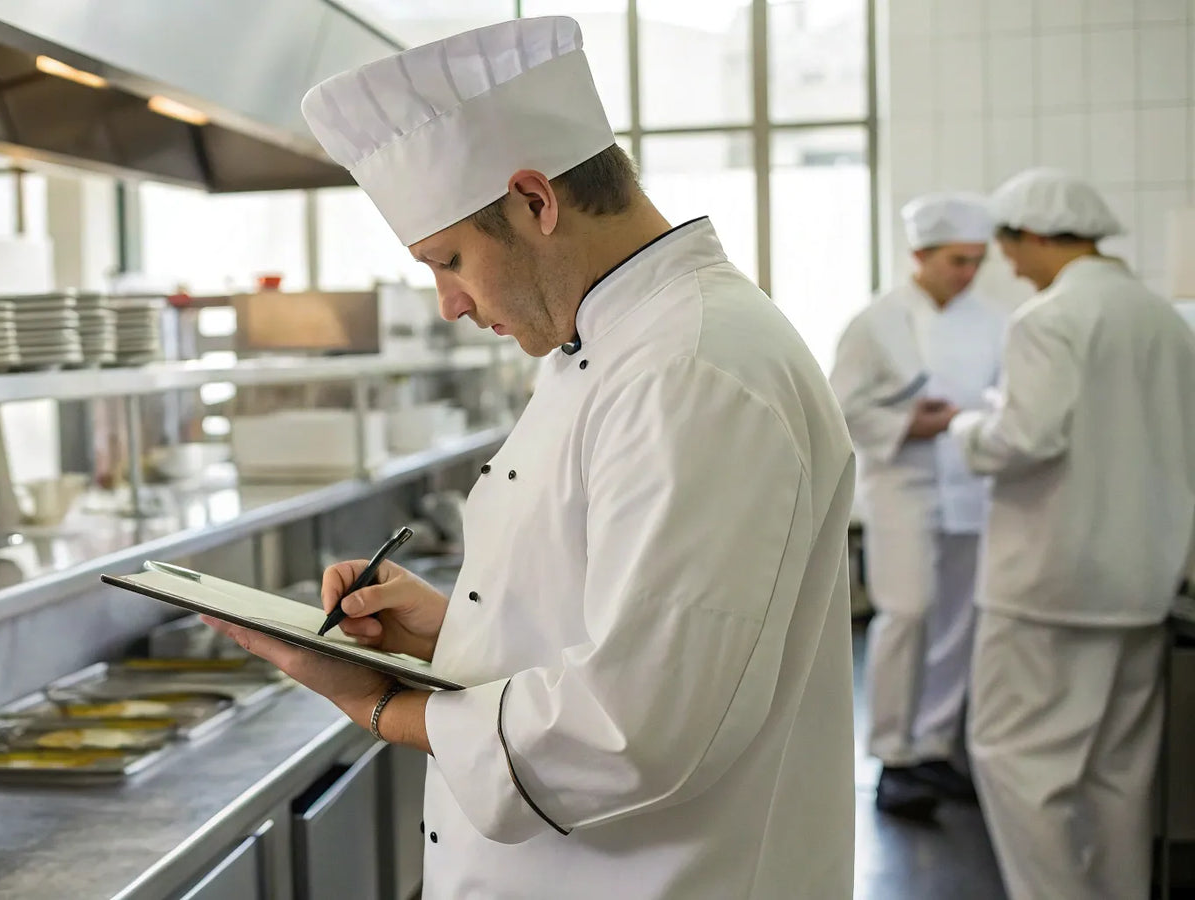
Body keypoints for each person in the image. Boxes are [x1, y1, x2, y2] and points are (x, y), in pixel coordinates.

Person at [198, 16, 856, 898]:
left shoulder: (690, 370)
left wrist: (380, 705)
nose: (449, 303)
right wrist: (450, 632)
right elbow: (618, 621)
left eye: (449, 260)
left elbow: (631, 729)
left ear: (536, 201)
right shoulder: (615, 346)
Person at [946, 168, 1195, 900]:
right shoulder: (1164, 319)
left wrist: (967, 428)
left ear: (1036, 235)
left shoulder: (1047, 319)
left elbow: (1027, 437)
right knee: (1120, 772)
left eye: (1008, 246)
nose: (1008, 263)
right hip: (1140, 580)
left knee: (1019, 762)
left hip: (1049, 586)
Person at [830, 193, 1004, 820]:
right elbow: (839, 408)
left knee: (959, 618)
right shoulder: (876, 323)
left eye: (977, 261)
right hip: (902, 484)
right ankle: (892, 756)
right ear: (920, 255)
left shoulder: (996, 322)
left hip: (973, 487)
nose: (968, 273)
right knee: (907, 612)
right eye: (957, 260)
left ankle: (933, 744)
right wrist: (908, 423)